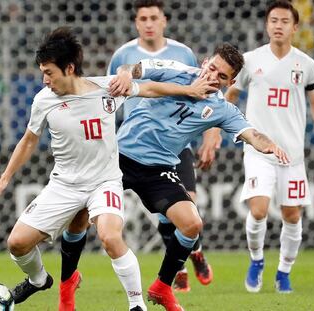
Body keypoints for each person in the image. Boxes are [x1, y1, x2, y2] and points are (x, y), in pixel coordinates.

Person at [0, 26, 214, 311]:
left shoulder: (107, 89)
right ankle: (39, 279)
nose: (44, 80)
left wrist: (190, 90)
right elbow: (29, 140)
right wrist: (5, 177)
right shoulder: (43, 101)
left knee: (109, 236)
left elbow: (152, 89)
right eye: (42, 72)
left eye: (49, 72)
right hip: (64, 185)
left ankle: (136, 305)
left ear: (69, 68)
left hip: (104, 182)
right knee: (17, 244)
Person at [109, 43, 289, 311]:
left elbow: (251, 133)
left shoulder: (221, 109)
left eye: (223, 77)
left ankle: (162, 287)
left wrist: (269, 144)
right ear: (205, 62)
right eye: (213, 68)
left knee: (192, 224)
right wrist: (125, 73)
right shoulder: (177, 71)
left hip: (158, 169)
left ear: (231, 82)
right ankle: (66, 292)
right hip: (120, 157)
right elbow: (133, 69)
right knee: (79, 218)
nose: (214, 77)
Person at [224, 0, 314, 294]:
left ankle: (284, 272)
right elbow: (231, 94)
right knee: (259, 209)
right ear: (266, 24)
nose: (278, 25)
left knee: (292, 215)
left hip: (293, 156)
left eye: (285, 21)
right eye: (273, 20)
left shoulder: (307, 65)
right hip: (259, 151)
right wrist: (220, 127)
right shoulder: (250, 60)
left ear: (295, 27)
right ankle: (257, 260)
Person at [107, 0, 217, 292]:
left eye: (154, 17)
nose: (148, 23)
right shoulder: (123, 55)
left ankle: (195, 252)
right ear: (136, 22)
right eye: (143, 18)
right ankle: (178, 269)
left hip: (176, 143)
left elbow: (204, 93)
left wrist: (210, 137)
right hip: (136, 146)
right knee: (162, 214)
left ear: (164, 20)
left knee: (187, 204)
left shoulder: (182, 53)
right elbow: (111, 96)